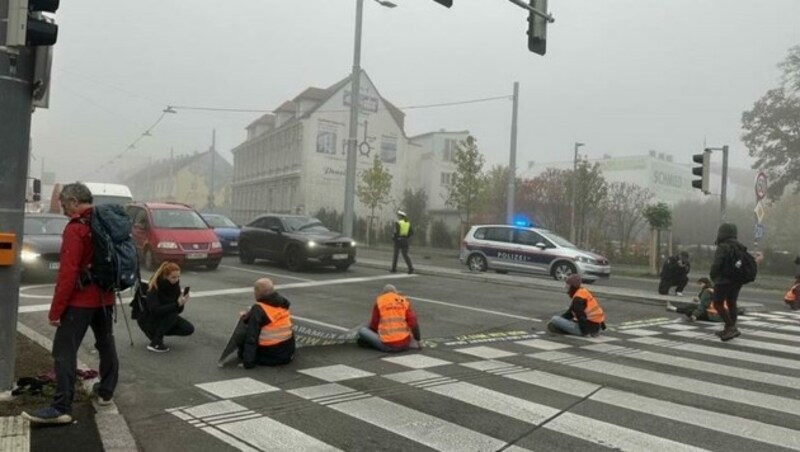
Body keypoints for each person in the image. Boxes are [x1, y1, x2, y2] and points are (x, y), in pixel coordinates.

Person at [23, 183, 119, 425]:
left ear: (75, 201)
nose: (64, 210)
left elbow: (68, 273)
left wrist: (56, 311)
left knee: (64, 352)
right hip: (105, 297)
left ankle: (60, 407)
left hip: (80, 301)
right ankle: (106, 392)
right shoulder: (104, 223)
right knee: (106, 343)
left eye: (65, 205)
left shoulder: (76, 229)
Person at [235, 278, 295, 368]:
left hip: (270, 355)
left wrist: (248, 363)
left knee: (242, 341)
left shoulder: (258, 309)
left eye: (254, 290)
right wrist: (249, 317)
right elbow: (269, 320)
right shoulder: (282, 303)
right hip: (287, 353)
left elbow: (251, 338)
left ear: (258, 291)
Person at [136, 262, 195, 353]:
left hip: (165, 317)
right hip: (148, 319)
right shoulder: (154, 287)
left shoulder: (175, 287)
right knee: (172, 313)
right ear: (165, 276)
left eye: (178, 277)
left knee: (188, 328)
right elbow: (154, 310)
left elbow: (177, 310)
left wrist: (181, 303)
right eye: (173, 277)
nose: (176, 280)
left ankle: (158, 333)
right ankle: (155, 342)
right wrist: (176, 305)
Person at [357, 284, 422, 352]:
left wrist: (375, 334)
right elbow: (414, 322)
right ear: (395, 292)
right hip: (405, 343)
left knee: (362, 330)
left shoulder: (380, 301)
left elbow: (374, 323)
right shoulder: (403, 301)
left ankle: (370, 343)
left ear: (383, 293)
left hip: (389, 345)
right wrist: (418, 340)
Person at [709, 222, 746, 341]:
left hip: (723, 279)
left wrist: (713, 276)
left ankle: (730, 327)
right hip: (737, 279)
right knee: (731, 302)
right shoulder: (741, 247)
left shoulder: (723, 246)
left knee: (717, 303)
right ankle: (730, 327)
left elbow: (717, 264)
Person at [391, 210, 414, 274]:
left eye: (398, 216)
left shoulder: (398, 223)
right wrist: (406, 237)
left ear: (401, 216)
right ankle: (410, 268)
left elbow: (396, 232)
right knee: (405, 255)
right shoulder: (408, 223)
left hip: (398, 240)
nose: (398, 217)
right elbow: (412, 232)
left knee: (396, 255)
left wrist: (394, 238)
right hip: (405, 241)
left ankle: (394, 269)